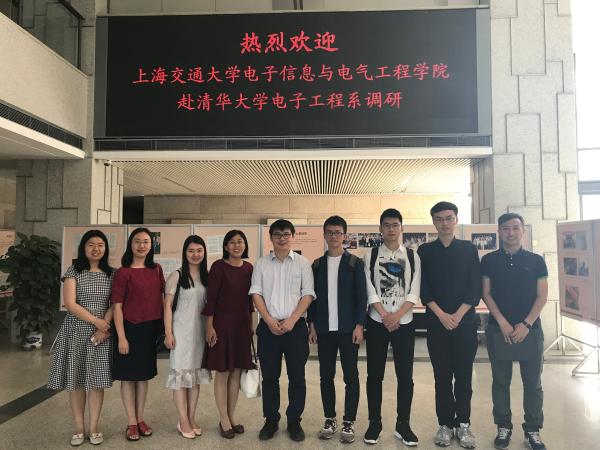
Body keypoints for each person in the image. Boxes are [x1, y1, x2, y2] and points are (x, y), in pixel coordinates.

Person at [481, 213, 549, 450]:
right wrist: (501, 321)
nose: (511, 233)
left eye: (515, 228)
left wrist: (527, 324)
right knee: (501, 381)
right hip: (498, 330)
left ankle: (532, 430)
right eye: (505, 228)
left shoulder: (536, 261)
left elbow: (542, 295)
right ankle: (503, 426)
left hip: (531, 330)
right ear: (499, 231)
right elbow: (486, 293)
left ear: (523, 231)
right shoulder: (488, 260)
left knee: (533, 383)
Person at [417, 201, 480, 449]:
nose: (444, 223)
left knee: (463, 377)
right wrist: (442, 315)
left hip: (465, 324)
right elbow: (424, 288)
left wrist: (458, 314)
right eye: (439, 219)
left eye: (448, 218)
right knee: (442, 377)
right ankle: (444, 424)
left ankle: (463, 424)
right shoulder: (425, 251)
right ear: (433, 221)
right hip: (437, 324)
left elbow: (475, 287)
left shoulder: (468, 249)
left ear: (456, 220)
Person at [249, 219, 315, 442]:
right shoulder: (261, 264)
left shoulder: (303, 264)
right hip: (268, 328)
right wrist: (268, 320)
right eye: (277, 234)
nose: (282, 238)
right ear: (271, 237)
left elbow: (308, 294)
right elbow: (256, 293)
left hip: (295, 328)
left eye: (286, 234)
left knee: (297, 377)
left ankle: (294, 421)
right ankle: (271, 420)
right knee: (270, 378)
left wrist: (292, 320)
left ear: (293, 236)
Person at [48, 230, 114, 446]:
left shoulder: (112, 273)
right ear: (83, 247)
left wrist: (103, 327)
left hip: (101, 335)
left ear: (106, 249)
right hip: (76, 331)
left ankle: (94, 427)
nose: (96, 249)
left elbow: (115, 303)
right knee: (76, 380)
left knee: (96, 381)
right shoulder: (73, 271)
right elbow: (70, 303)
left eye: (100, 245)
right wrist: (96, 321)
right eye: (91, 244)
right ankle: (79, 427)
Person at [363, 208, 421, 446]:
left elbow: (414, 290)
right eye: (386, 225)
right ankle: (374, 423)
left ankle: (403, 424)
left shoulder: (412, 256)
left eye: (395, 225)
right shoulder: (371, 254)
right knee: (374, 375)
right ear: (380, 229)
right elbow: (369, 288)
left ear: (401, 228)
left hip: (404, 322)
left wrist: (396, 315)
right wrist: (385, 315)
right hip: (377, 322)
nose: (391, 229)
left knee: (405, 376)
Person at [308, 216, 368, 444]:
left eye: (338, 232)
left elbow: (361, 297)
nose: (333, 236)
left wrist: (360, 325)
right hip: (324, 330)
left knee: (351, 376)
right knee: (326, 376)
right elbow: (312, 298)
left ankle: (349, 421)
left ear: (344, 235)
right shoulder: (317, 265)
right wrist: (312, 325)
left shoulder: (354, 263)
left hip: (348, 329)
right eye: (330, 232)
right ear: (324, 235)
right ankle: (330, 419)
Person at [111, 227, 165, 441]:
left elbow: (162, 299)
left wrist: (165, 329)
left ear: (151, 246)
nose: (142, 245)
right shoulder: (123, 272)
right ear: (130, 244)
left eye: (146, 242)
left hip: (149, 330)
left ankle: (141, 418)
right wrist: (121, 337)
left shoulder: (156, 269)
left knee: (143, 377)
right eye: (137, 241)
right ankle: (131, 422)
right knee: (128, 378)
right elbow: (117, 306)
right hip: (128, 329)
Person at [202, 230, 254, 439]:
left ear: (245, 245)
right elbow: (211, 299)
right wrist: (209, 326)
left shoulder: (249, 268)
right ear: (225, 247)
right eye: (232, 242)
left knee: (237, 372)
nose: (236, 245)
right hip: (221, 325)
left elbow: (250, 302)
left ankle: (231, 416)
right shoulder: (218, 267)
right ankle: (223, 418)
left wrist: (251, 326)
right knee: (223, 372)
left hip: (242, 326)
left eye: (240, 242)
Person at [163, 235, 209, 439]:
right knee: (181, 377)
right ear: (185, 253)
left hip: (199, 333)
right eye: (191, 251)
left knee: (195, 377)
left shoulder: (206, 276)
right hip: (181, 333)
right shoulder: (177, 275)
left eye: (199, 250)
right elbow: (167, 306)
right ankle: (182, 420)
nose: (195, 254)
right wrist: (168, 333)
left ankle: (191, 417)